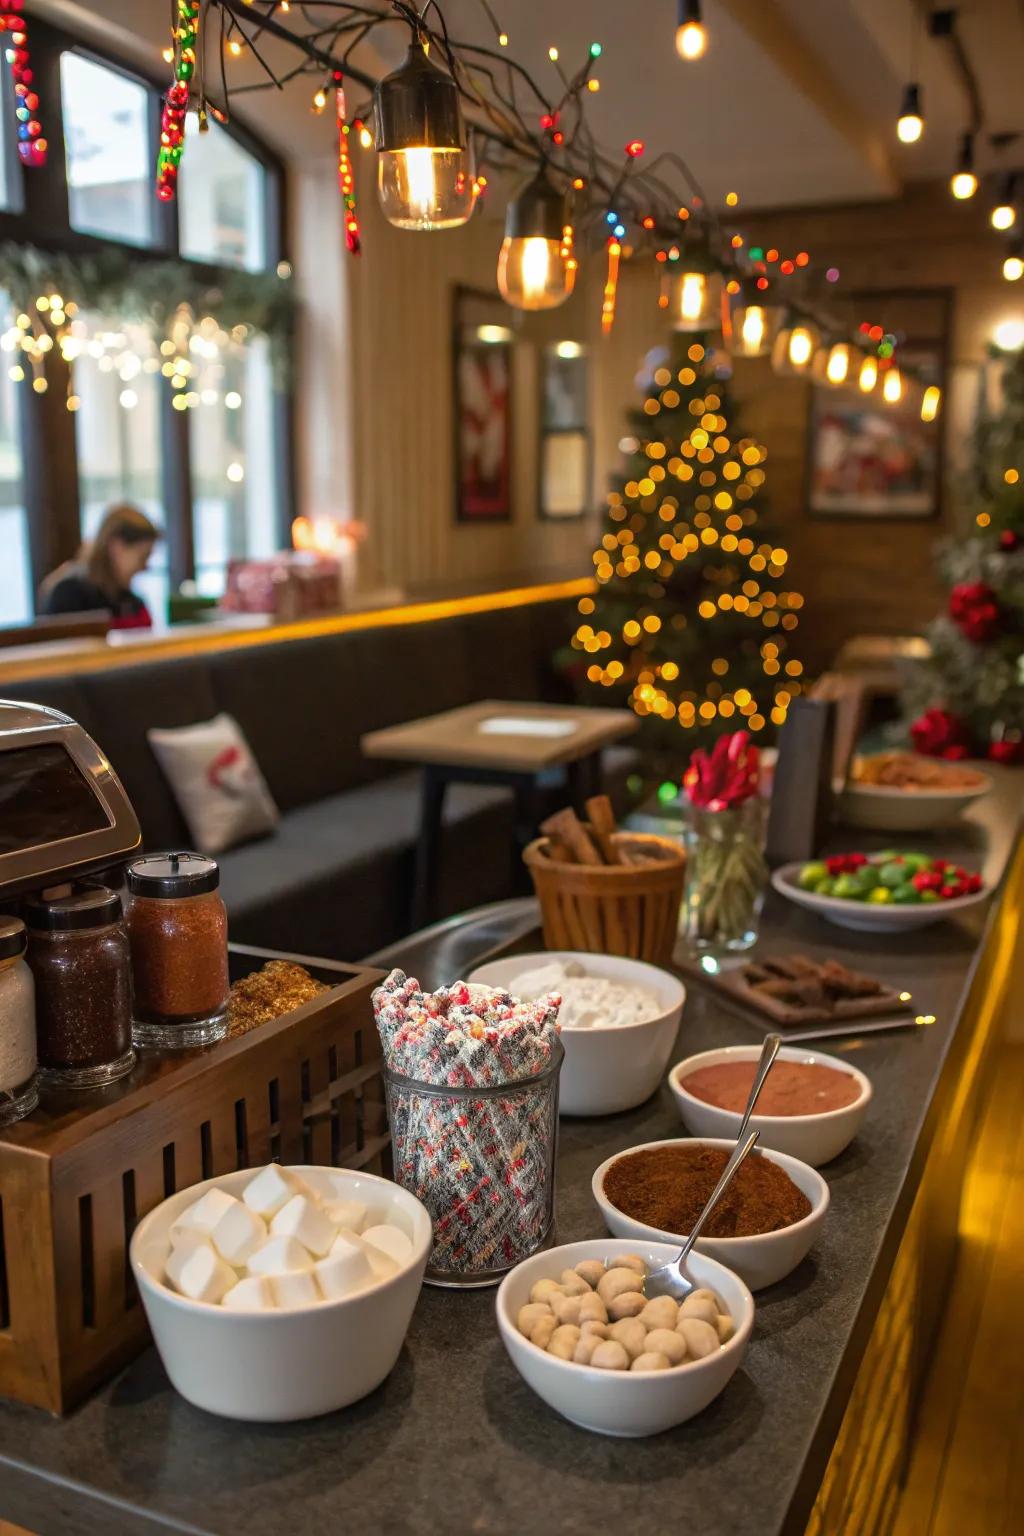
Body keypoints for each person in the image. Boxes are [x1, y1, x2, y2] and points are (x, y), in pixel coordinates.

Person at [39, 504, 161, 630]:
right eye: (143, 557)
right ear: (116, 546)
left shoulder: (132, 602)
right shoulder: (69, 596)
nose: (146, 567)